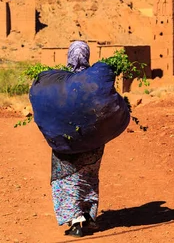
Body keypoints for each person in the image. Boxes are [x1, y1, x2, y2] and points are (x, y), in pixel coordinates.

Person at [50, 40, 104, 238]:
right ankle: (88, 218)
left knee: (67, 178)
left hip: (68, 140)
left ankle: (76, 223)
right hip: (93, 142)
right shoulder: (97, 80)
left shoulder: (61, 80)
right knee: (88, 177)